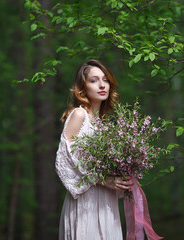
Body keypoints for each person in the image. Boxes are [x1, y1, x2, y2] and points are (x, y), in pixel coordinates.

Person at [55, 59, 133, 240]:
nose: (101, 85)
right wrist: (104, 180)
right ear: (82, 88)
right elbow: (64, 160)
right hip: (86, 202)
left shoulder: (103, 125)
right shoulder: (79, 114)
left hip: (106, 203)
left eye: (105, 80)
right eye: (94, 80)